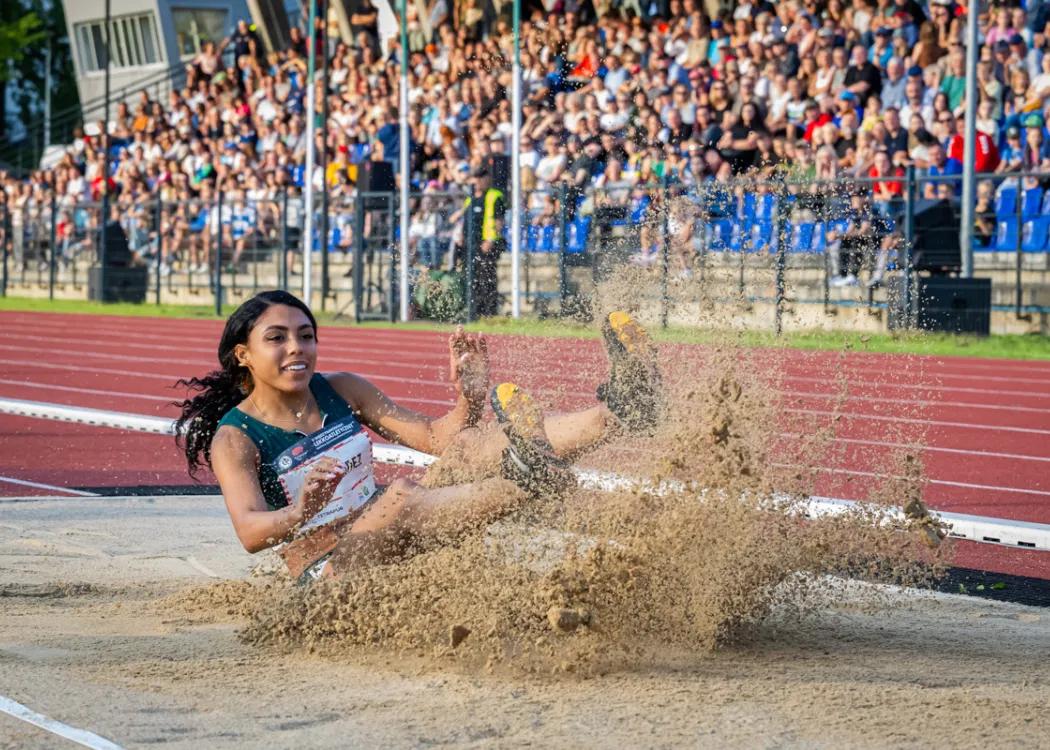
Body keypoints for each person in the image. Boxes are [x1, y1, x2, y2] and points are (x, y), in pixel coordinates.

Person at [174, 291, 662, 581]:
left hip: (396, 540)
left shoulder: (340, 389)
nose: (297, 348)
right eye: (276, 338)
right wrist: (302, 509)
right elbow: (250, 533)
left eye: (306, 335)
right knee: (403, 494)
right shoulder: (235, 437)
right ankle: (526, 477)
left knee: (470, 447)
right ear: (243, 354)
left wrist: (469, 396)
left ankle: (621, 413)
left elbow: (439, 439)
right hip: (330, 574)